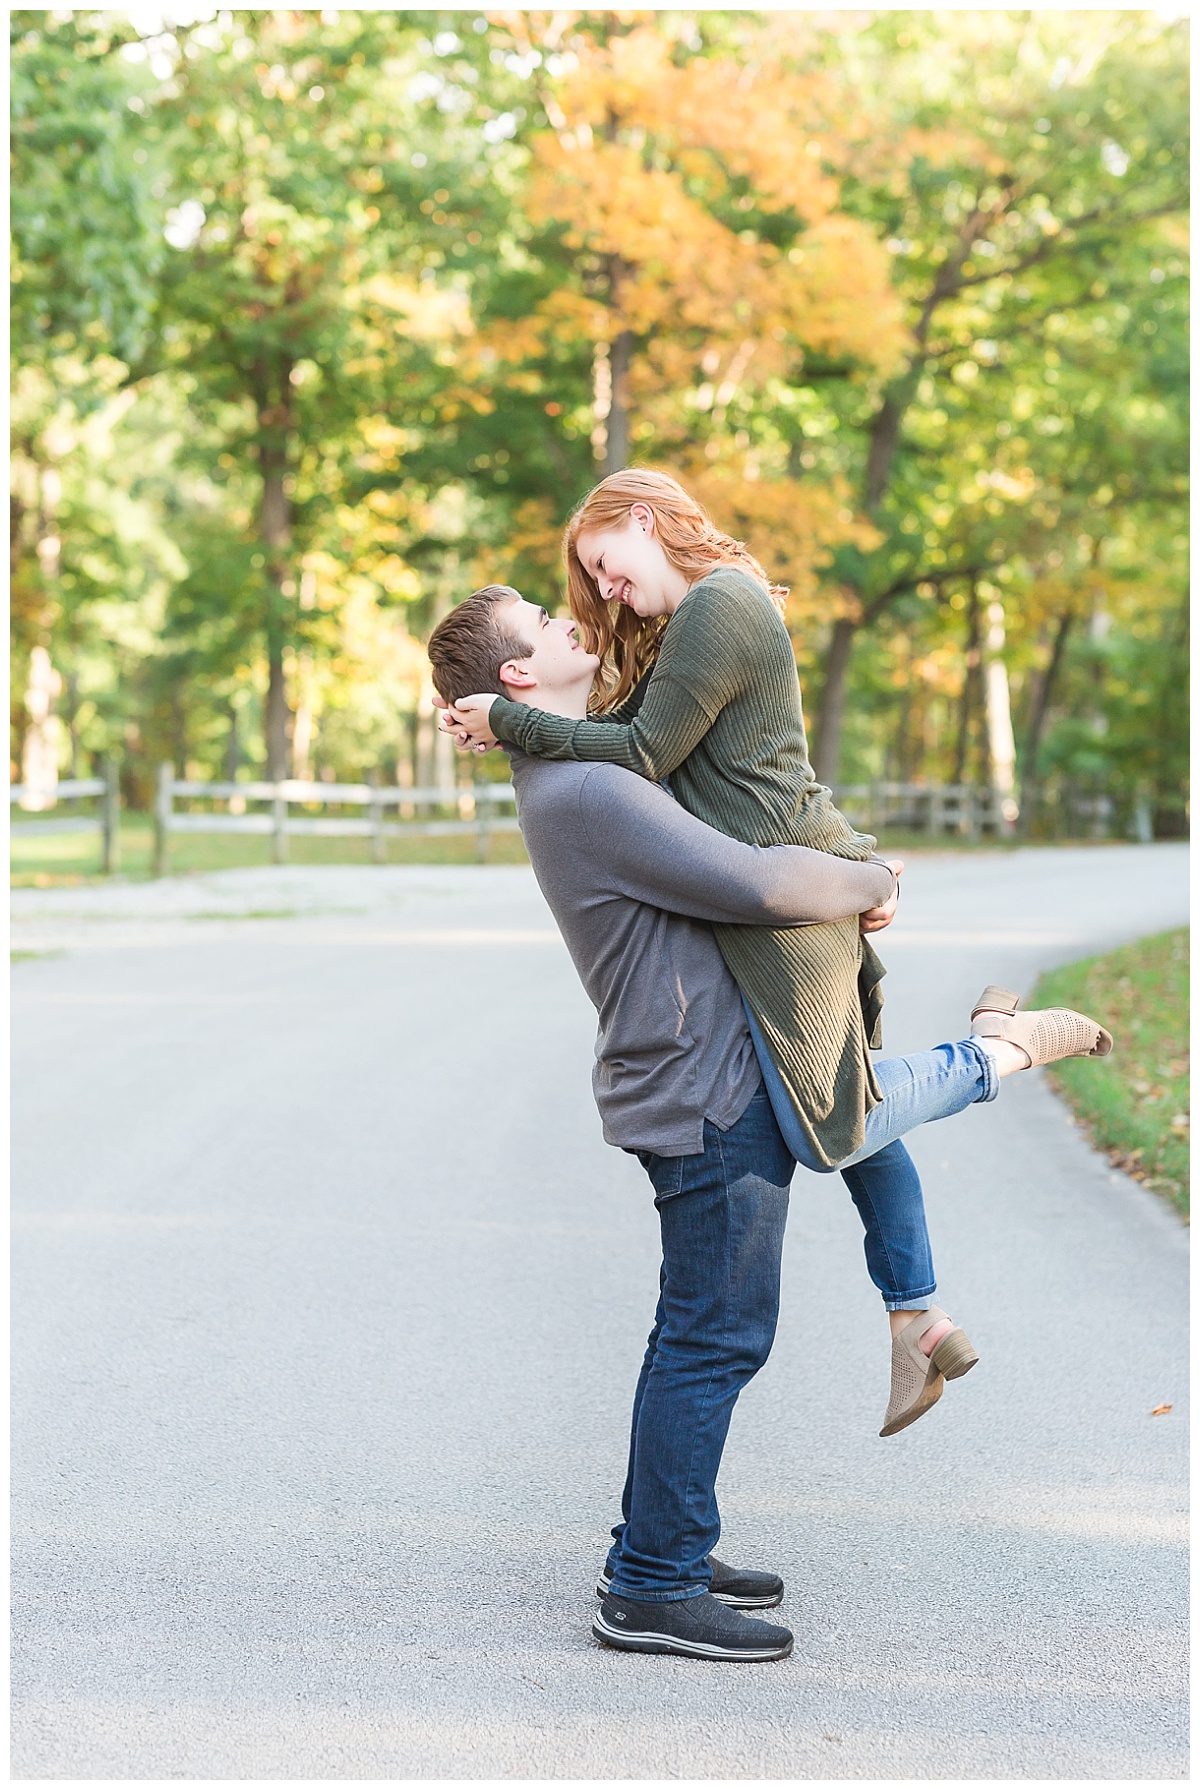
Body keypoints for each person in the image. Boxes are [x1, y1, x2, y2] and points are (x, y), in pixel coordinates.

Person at [426, 583, 1112, 1664]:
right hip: (706, 1090)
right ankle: (651, 1584)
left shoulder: (581, 768)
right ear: (520, 678)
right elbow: (757, 882)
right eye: (552, 628)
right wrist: (874, 875)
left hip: (702, 1075)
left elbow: (719, 743)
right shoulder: (585, 790)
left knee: (696, 1328)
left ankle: (660, 1545)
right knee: (717, 1332)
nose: (576, 627)